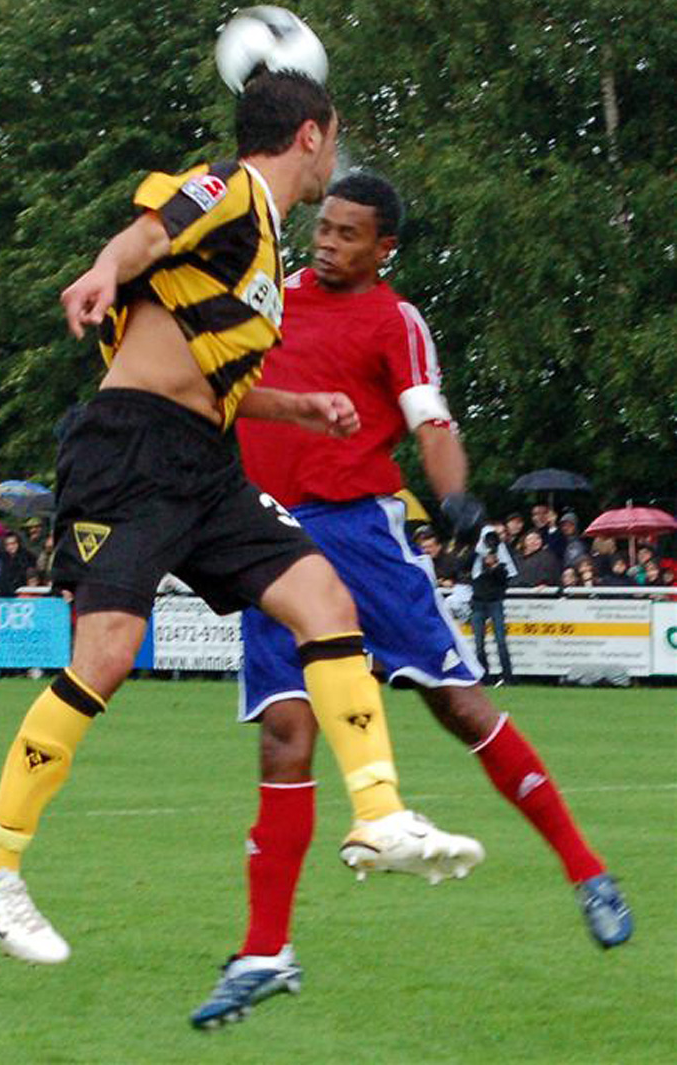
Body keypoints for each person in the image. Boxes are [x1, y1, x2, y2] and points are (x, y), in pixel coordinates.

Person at [0, 71, 482, 970]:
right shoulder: (231, 188)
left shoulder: (259, 252)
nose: (335, 155)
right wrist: (104, 268)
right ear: (309, 136)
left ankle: (380, 812)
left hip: (207, 463)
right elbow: (152, 229)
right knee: (107, 655)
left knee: (323, 599)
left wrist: (299, 408)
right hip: (131, 450)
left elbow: (209, 375)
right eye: (333, 137)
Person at [190, 172, 632, 1029]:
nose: (327, 242)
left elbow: (432, 421)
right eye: (324, 226)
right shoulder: (268, 300)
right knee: (284, 738)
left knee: (460, 706)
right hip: (267, 536)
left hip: (361, 537)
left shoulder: (396, 320)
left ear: (383, 247)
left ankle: (587, 870)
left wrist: (454, 495)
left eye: (348, 233)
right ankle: (264, 950)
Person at [469, 525, 517, 687]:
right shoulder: (475, 556)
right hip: (478, 602)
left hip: (495, 601)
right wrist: (478, 554)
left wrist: (495, 566)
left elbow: (506, 579)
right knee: (479, 643)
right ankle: (484, 677)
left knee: (500, 641)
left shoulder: (501, 556)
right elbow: (463, 567)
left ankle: (508, 676)